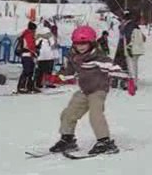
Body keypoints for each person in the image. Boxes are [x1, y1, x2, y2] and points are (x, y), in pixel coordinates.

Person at [49, 25, 127, 155]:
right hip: (85, 90)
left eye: (84, 43)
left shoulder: (98, 58)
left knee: (95, 115)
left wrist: (128, 80)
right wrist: (58, 77)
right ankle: (68, 139)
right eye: (78, 44)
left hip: (98, 90)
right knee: (68, 113)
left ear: (91, 43)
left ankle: (104, 142)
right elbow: (69, 72)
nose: (81, 47)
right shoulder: (74, 57)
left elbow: (114, 68)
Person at [112, 11, 139, 89]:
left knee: (126, 63)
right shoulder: (127, 24)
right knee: (120, 61)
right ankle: (116, 78)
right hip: (122, 44)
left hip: (127, 45)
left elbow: (128, 35)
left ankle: (126, 81)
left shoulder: (130, 25)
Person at [16, 21, 41, 94]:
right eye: (35, 29)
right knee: (27, 71)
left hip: (29, 55)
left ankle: (29, 86)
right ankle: (21, 87)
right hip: (26, 55)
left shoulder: (28, 34)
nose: (35, 31)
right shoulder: (28, 34)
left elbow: (31, 45)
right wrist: (35, 51)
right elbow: (30, 46)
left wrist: (36, 47)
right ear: (32, 29)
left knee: (31, 71)